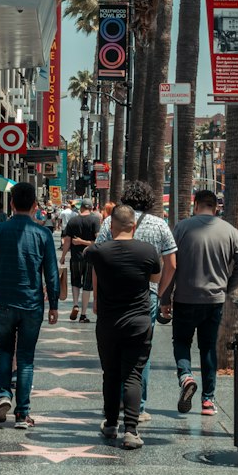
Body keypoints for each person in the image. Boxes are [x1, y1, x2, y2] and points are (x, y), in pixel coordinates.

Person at [158, 189, 238, 416]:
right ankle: (208, 401)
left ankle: (186, 376)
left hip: (185, 298)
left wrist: (165, 298)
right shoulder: (229, 231)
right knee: (208, 347)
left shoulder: (181, 228)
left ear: (196, 204)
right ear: (216, 207)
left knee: (181, 341)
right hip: (214, 299)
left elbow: (172, 265)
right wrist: (229, 286)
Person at [94, 180, 177, 420]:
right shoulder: (159, 224)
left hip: (111, 294)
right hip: (145, 296)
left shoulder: (111, 222)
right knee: (142, 352)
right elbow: (172, 263)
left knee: (112, 351)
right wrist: (160, 290)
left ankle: (116, 403)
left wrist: (97, 296)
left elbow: (97, 261)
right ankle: (137, 407)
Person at [0, 180, 59, 428]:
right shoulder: (43, 234)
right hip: (31, 303)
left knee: (4, 350)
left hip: (3, 300)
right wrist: (54, 304)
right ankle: (22, 413)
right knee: (26, 358)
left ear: (12, 203)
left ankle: (3, 394)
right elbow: (51, 273)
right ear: (35, 206)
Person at [86, 204, 160, 450]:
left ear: (111, 225)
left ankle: (110, 424)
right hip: (139, 321)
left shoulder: (99, 251)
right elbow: (155, 278)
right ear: (134, 226)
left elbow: (88, 254)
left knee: (111, 374)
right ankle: (131, 430)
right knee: (133, 374)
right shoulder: (148, 251)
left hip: (108, 323)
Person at [61, 200, 100, 321]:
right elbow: (98, 241)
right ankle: (83, 314)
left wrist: (63, 256)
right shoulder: (95, 220)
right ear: (91, 208)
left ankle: (75, 304)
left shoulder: (73, 221)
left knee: (75, 282)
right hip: (90, 258)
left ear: (81, 208)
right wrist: (85, 242)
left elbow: (67, 241)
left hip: (76, 257)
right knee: (87, 286)